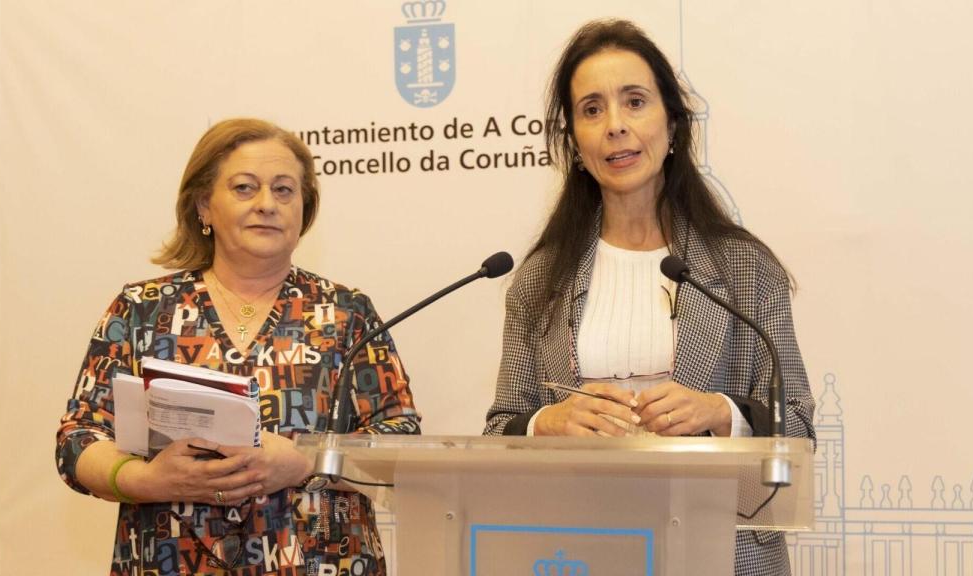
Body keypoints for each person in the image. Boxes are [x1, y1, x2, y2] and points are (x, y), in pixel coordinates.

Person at [483, 19, 815, 575]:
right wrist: (550, 423)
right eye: (592, 110)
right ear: (575, 142)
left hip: (724, 554)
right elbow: (500, 429)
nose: (615, 126)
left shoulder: (743, 268)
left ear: (673, 125)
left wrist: (722, 413)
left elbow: (799, 431)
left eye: (634, 102)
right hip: (578, 550)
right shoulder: (540, 280)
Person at [56, 118, 419, 575]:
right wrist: (147, 479)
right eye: (245, 188)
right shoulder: (141, 309)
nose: (267, 204)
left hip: (321, 562)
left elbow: (402, 440)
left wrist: (308, 460)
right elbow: (77, 439)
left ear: (304, 209)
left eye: (285, 191)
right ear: (204, 206)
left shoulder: (346, 314)